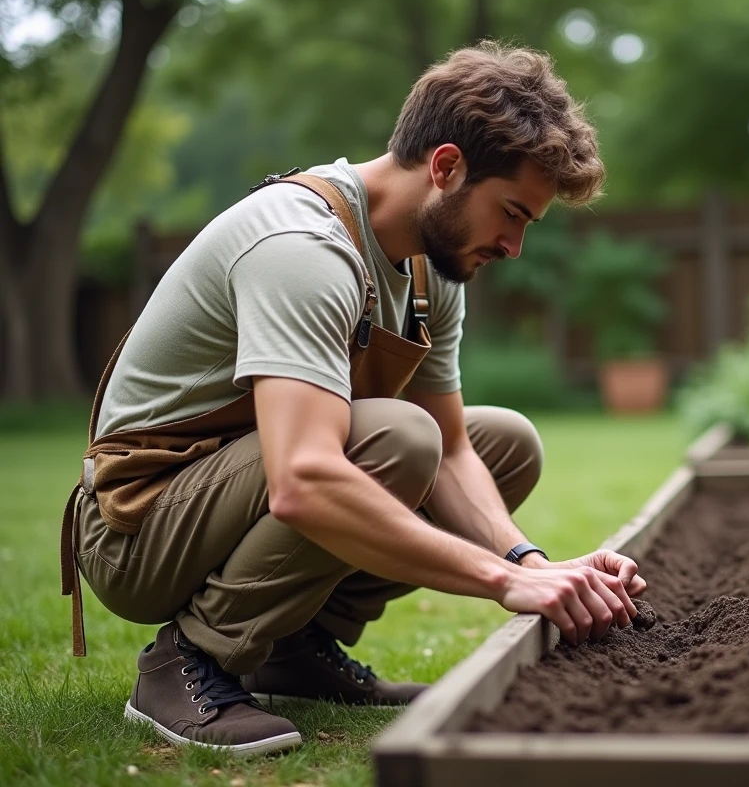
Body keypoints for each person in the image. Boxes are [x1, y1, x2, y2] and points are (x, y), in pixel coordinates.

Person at [60, 42, 647, 755]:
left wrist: (529, 562)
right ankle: (188, 663)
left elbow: (455, 449)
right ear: (446, 167)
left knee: (503, 445)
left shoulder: (430, 270)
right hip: (138, 525)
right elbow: (304, 480)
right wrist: (497, 582)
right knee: (395, 438)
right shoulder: (302, 247)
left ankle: (296, 650)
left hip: (234, 492)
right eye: (512, 213)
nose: (515, 245)